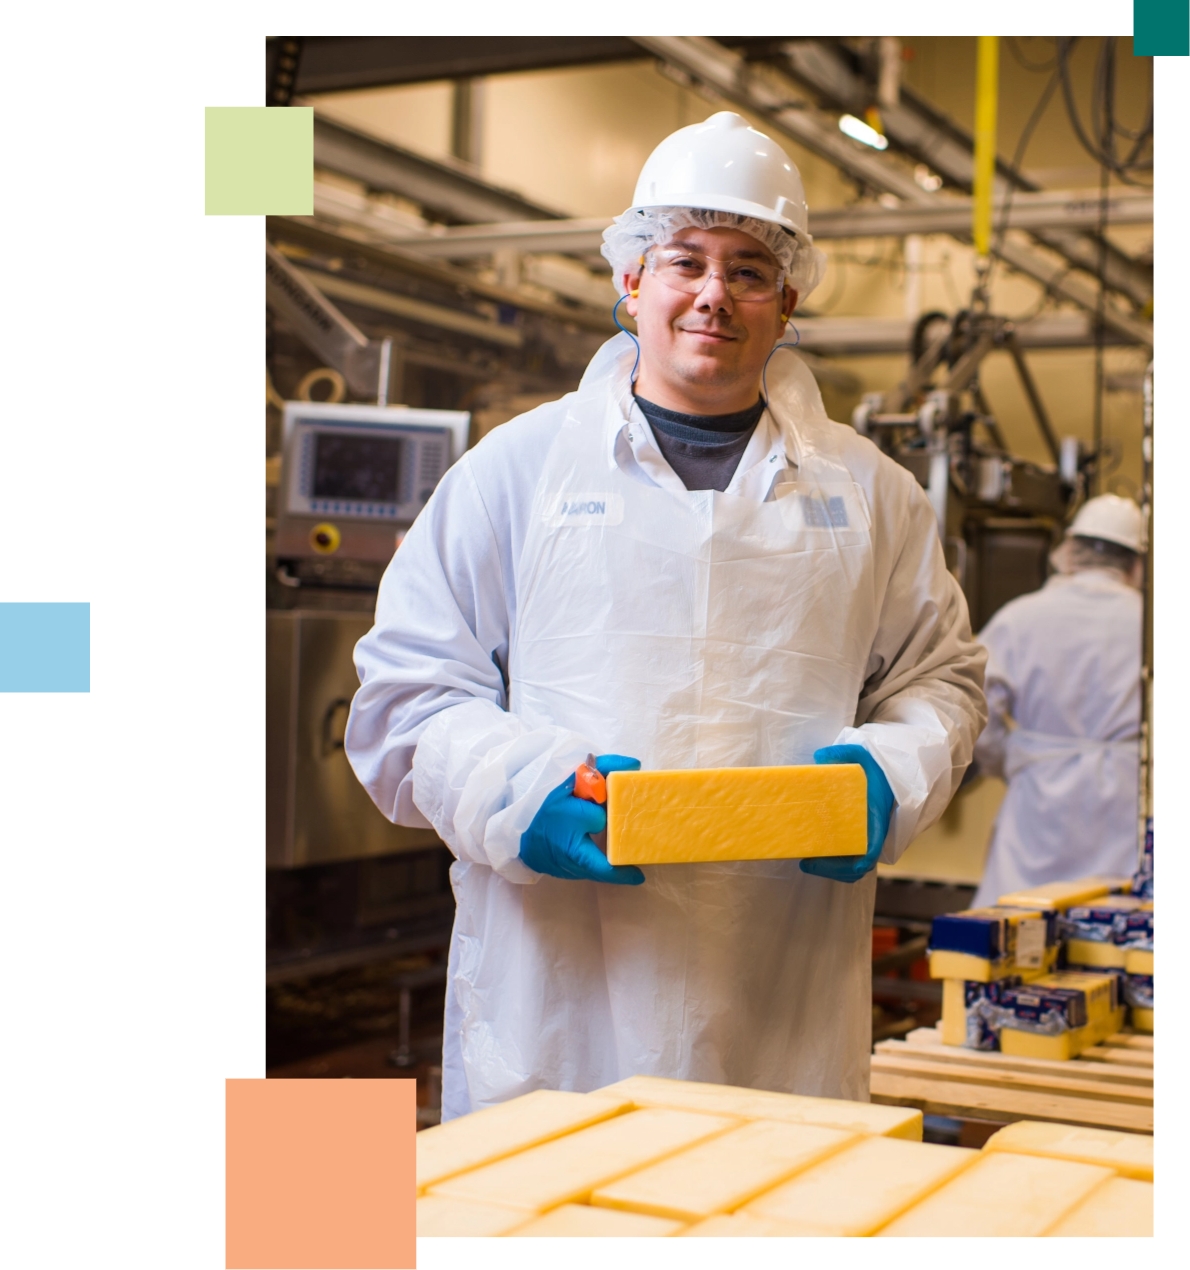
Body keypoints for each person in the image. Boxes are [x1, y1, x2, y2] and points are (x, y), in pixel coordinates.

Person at [345, 111, 987, 1120]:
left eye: (746, 269)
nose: (711, 296)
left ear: (786, 302)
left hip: (782, 991)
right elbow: (404, 699)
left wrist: (888, 776)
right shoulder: (515, 473)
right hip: (559, 993)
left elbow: (940, 681)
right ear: (630, 282)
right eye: (683, 259)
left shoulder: (872, 497)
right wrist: (519, 794)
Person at [970, 494, 1146, 907]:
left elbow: (972, 705)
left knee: (1018, 926)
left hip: (1038, 801)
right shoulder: (1151, 622)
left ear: (1068, 554)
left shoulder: (1021, 616)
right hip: (1123, 800)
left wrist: (1009, 758)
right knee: (1111, 929)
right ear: (1137, 565)